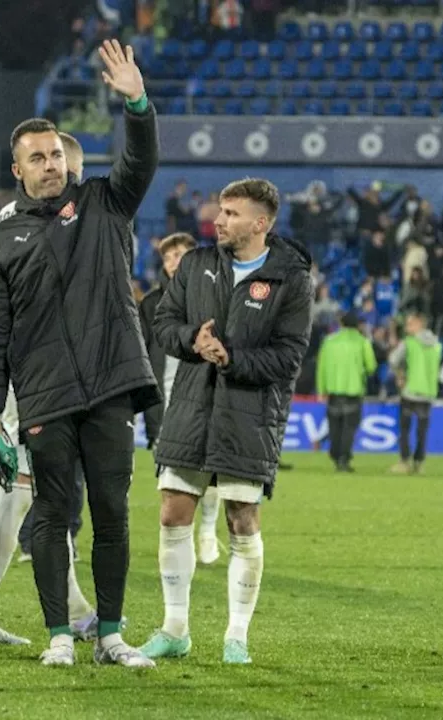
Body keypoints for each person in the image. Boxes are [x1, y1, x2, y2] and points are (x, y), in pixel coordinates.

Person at [0, 39, 160, 667]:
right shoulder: (3, 240)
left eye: (56, 154)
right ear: (18, 171)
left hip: (110, 385)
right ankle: (58, 635)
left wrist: (136, 101)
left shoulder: (106, 202)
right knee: (52, 513)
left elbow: (141, 160)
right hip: (46, 393)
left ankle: (109, 635)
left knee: (112, 512)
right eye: (38, 158)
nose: (51, 164)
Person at [140, 178, 313, 665]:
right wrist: (193, 339)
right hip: (191, 408)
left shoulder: (290, 278)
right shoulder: (195, 265)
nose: (219, 219)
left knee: (241, 519)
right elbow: (163, 323)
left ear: (261, 223)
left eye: (232, 213)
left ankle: (236, 635)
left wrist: (230, 357)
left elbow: (288, 358)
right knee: (174, 511)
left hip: (250, 415)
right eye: (220, 210)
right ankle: (175, 627)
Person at [0, 134, 101, 646]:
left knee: (43, 495)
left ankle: (71, 610)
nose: (62, 177)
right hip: (28, 378)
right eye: (53, 165)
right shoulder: (23, 225)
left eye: (64, 167)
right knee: (22, 495)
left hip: (46, 377)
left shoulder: (10, 224)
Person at [139, 232, 225, 566]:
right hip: (165, 402)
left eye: (181, 253)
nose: (174, 260)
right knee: (170, 479)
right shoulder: (150, 304)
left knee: (211, 468)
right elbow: (142, 354)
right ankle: (183, 536)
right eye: (168, 256)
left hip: (205, 397)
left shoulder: (215, 297)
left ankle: (206, 531)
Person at [316, 312, 376, 472]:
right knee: (349, 427)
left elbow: (321, 366)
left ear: (341, 324)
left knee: (334, 425)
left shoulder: (329, 341)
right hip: (353, 390)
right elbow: (371, 367)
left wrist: (321, 388)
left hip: (333, 390)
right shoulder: (362, 342)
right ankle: (343, 457)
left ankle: (335, 453)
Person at [388, 312, 442, 475]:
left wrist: (400, 376)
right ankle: (419, 463)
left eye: (410, 324)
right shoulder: (436, 344)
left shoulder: (409, 343)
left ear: (419, 325)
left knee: (404, 429)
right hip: (428, 392)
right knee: (422, 431)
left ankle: (404, 462)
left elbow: (393, 360)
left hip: (410, 391)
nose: (407, 327)